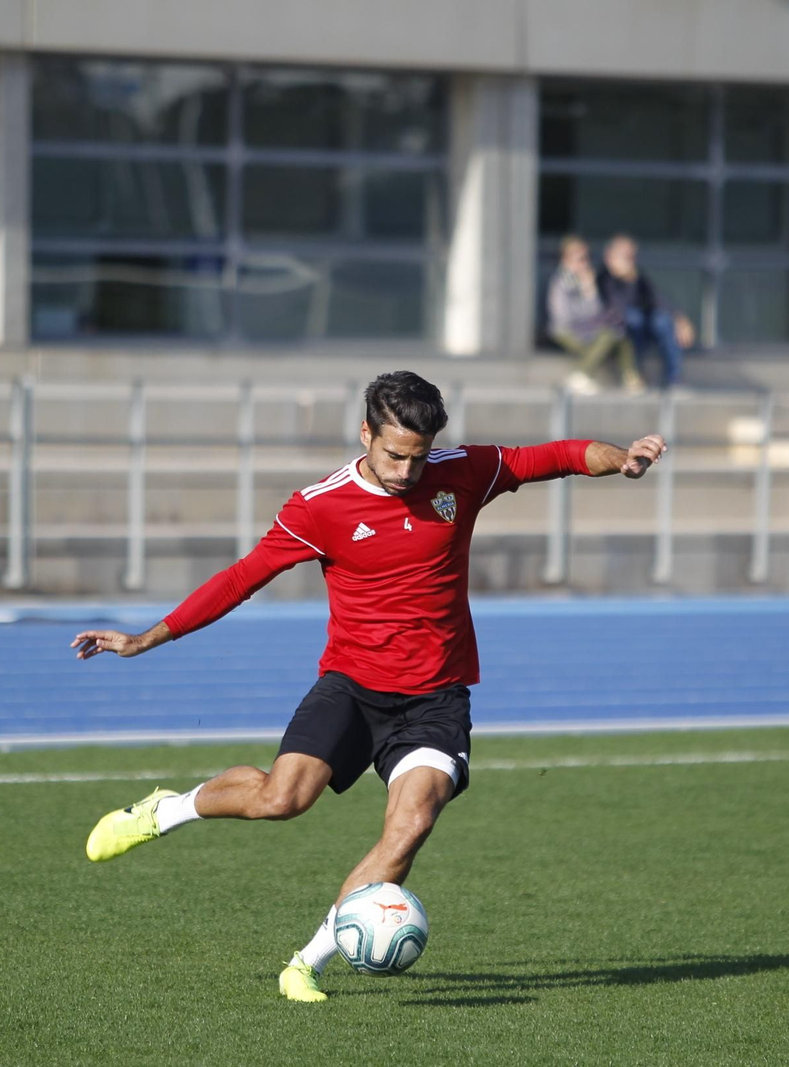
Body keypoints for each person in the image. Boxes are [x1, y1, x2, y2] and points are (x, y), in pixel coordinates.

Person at [71, 371, 666, 1003]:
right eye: (394, 455)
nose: (408, 472)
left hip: (436, 699)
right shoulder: (318, 507)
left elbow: (558, 456)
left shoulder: (463, 472)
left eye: (418, 457)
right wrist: (146, 638)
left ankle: (306, 963)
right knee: (281, 799)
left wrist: (621, 460)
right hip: (352, 687)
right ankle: (168, 810)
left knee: (410, 826)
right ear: (366, 434)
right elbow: (241, 579)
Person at [598, 234, 697, 390]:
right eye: (626, 256)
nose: (630, 261)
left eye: (632, 257)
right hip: (621, 329)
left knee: (663, 321)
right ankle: (636, 372)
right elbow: (618, 307)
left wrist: (679, 318)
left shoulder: (637, 277)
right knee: (634, 318)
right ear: (610, 257)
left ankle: (674, 378)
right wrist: (627, 280)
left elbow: (657, 298)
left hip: (644, 324)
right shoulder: (604, 277)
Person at [546, 235, 641, 395]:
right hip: (566, 331)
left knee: (621, 336)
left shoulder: (587, 281)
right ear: (566, 259)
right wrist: (588, 322)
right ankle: (580, 375)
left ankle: (630, 377)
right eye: (580, 259)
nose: (585, 263)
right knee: (607, 336)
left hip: (587, 329)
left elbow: (596, 312)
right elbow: (562, 317)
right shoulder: (560, 282)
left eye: (587, 258)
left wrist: (589, 291)